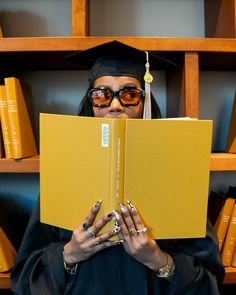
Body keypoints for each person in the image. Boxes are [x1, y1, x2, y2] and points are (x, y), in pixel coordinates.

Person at [11, 41, 224, 295]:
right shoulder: (62, 173)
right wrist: (69, 254)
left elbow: (210, 281)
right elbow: (24, 279)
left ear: (144, 104)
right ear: (91, 105)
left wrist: (157, 258)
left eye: (129, 94)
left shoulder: (178, 173)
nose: (115, 105)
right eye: (101, 95)